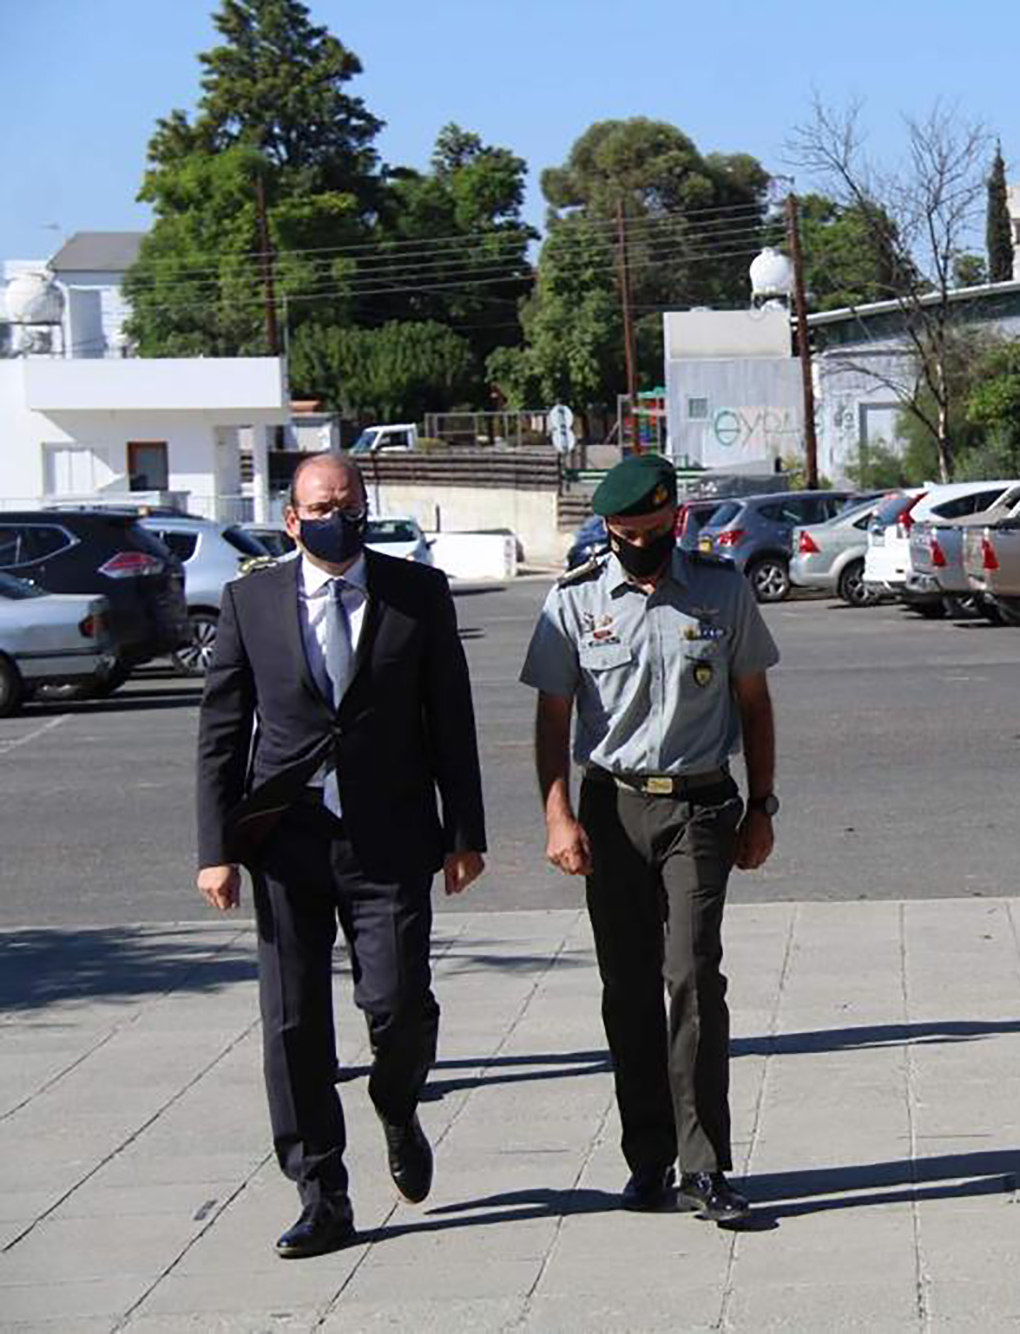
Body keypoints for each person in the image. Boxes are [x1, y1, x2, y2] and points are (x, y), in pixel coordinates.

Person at [194, 452, 486, 1259]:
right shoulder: (250, 600)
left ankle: (398, 1103)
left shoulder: (416, 594)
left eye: (349, 502)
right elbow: (222, 733)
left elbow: (450, 720)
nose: (337, 514)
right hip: (285, 840)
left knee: (396, 1008)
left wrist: (466, 833)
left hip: (388, 838)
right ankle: (322, 1194)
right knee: (293, 1025)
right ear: (292, 518)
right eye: (321, 504)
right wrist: (215, 849)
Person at [520, 454, 779, 1227]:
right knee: (628, 988)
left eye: (648, 531)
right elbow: (551, 719)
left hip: (699, 804)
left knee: (694, 974)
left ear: (675, 522)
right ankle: (647, 1156)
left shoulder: (722, 591)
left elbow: (756, 704)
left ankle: (705, 1167)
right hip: (612, 808)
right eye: (620, 533)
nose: (634, 543)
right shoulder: (573, 602)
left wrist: (761, 806)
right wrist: (556, 813)